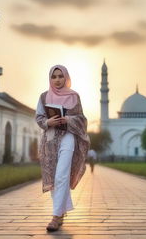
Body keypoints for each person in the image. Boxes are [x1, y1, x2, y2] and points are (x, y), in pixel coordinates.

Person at [35, 64, 90, 232]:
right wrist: (47, 122)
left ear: (66, 78)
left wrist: (68, 120)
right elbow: (39, 118)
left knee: (61, 175)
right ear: (50, 78)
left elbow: (81, 119)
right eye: (54, 76)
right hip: (50, 139)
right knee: (54, 177)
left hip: (68, 137)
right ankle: (60, 213)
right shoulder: (44, 97)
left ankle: (55, 216)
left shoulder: (74, 96)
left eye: (60, 76)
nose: (57, 80)